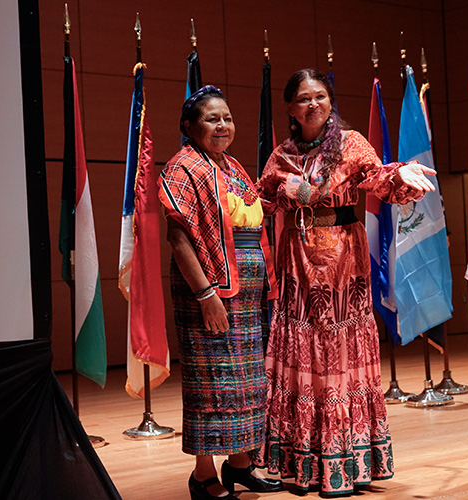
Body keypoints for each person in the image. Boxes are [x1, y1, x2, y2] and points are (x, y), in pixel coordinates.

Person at [255, 69, 436, 496]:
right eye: (303, 98)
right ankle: (299, 461)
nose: (312, 104)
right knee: (301, 346)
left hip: (342, 256)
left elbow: (378, 176)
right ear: (290, 108)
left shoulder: (351, 144)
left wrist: (398, 177)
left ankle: (348, 460)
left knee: (340, 347)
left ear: (330, 101)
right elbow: (260, 197)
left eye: (319, 96)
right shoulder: (281, 153)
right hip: (296, 254)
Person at [159, 85, 283, 500]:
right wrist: (206, 295)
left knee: (246, 383)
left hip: (246, 295)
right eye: (212, 119)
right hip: (209, 292)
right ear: (188, 126)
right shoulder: (182, 167)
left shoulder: (232, 166)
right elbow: (178, 239)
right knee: (211, 384)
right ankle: (203, 476)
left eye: (227, 118)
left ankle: (242, 464)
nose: (223, 126)